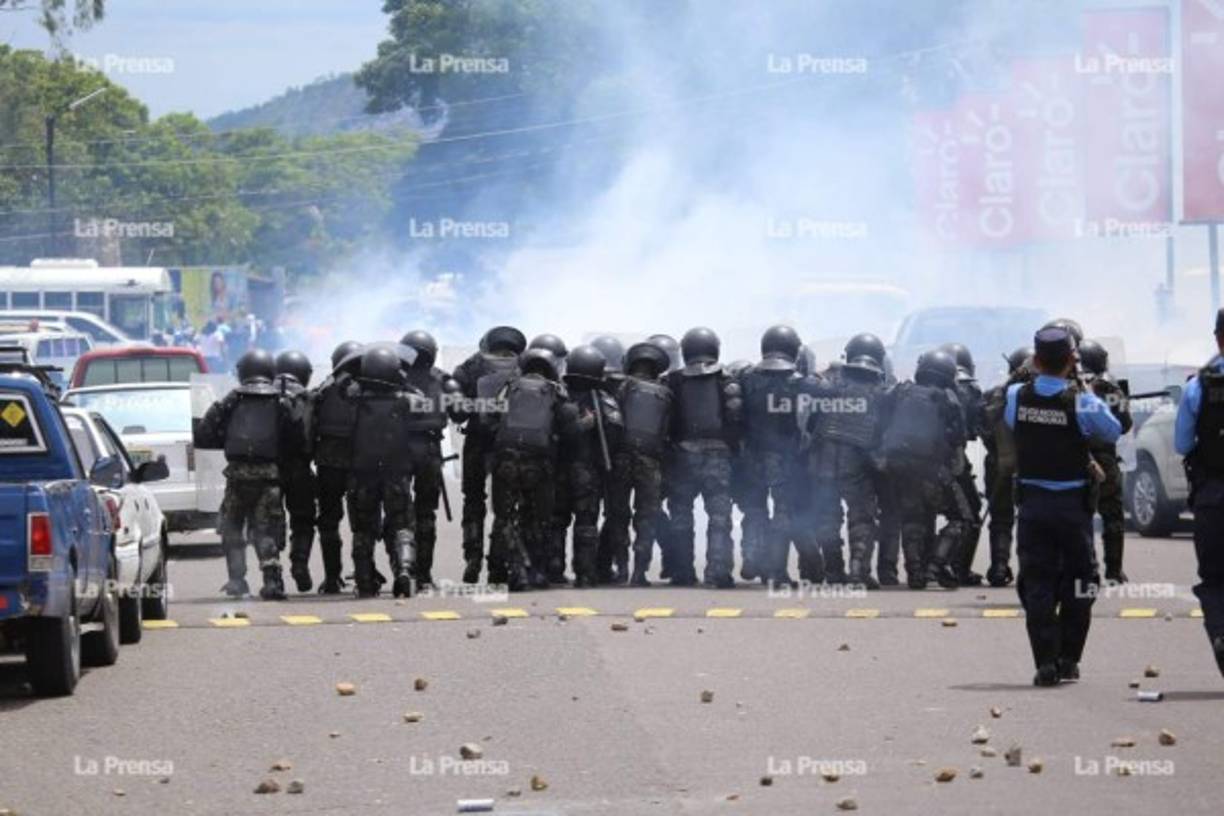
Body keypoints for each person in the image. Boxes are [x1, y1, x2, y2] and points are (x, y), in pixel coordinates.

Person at [1006, 327, 1121, 686]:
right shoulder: (1082, 400)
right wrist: (1084, 391)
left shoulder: (1016, 396)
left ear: (1036, 360)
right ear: (1072, 360)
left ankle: (1045, 660)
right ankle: (1068, 659)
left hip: (1033, 504)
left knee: (1037, 582)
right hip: (1072, 507)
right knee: (1081, 582)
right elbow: (1112, 430)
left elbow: (1013, 424)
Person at [194, 349, 305, 600]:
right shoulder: (282, 401)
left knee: (232, 527)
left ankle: (236, 580)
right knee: (267, 530)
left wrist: (227, 441)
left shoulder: (232, 399)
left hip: (237, 476)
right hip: (269, 478)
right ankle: (273, 581)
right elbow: (297, 439)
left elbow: (204, 432)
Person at [878, 349, 967, 590]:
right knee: (962, 518)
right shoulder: (948, 399)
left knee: (912, 518)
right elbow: (958, 438)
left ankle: (915, 573)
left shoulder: (899, 391)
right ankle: (934, 566)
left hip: (897, 464)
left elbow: (880, 418)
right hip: (930, 467)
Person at [807, 333, 889, 587]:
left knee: (827, 518)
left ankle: (833, 571)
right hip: (857, 461)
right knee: (862, 518)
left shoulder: (829, 382)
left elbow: (811, 422)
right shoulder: (882, 389)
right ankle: (857, 572)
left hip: (823, 459)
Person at [665, 327, 742, 587]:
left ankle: (682, 572)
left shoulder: (673, 381)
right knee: (720, 518)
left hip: (683, 457)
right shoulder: (727, 380)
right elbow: (735, 419)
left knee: (680, 517)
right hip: (718, 457)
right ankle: (718, 572)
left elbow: (666, 421)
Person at [346, 343, 423, 598]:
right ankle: (405, 569)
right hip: (397, 473)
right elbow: (425, 404)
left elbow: (339, 391)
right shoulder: (407, 401)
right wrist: (404, 383)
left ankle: (365, 580)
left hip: (362, 473)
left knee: (363, 530)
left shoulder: (354, 400)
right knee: (402, 526)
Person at [452, 326, 526, 584]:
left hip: (476, 443)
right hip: (508, 445)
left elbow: (456, 412)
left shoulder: (470, 367)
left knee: (473, 501)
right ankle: (498, 567)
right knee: (505, 508)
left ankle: (472, 557)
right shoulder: (523, 367)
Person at [489, 348, 567, 591]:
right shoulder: (556, 390)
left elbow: (489, 418)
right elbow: (568, 424)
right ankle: (537, 571)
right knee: (538, 519)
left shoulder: (508, 387)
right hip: (540, 464)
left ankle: (515, 569)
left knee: (505, 519)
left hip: (507, 462)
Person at [1173, 308, 1224, 678]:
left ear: (1217, 338)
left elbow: (1181, 443)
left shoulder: (1198, 387)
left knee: (1215, 579)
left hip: (1213, 498)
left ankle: (1221, 632)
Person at [738, 325, 808, 586]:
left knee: (754, 510)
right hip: (785, 459)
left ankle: (752, 558)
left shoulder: (745, 379)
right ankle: (777, 572)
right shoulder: (799, 382)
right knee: (783, 514)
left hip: (752, 456)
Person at [606, 341, 673, 586]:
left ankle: (621, 568)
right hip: (651, 462)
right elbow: (668, 433)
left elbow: (612, 423)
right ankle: (639, 573)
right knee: (646, 517)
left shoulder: (622, 388)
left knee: (618, 515)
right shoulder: (666, 394)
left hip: (621, 459)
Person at [558, 345, 624, 587]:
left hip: (558, 470)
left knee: (557, 521)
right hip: (588, 471)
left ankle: (553, 568)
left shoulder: (558, 396)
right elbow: (615, 433)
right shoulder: (603, 401)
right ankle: (585, 573)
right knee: (586, 522)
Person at [400, 330, 457, 589]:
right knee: (426, 515)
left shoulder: (394, 378)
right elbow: (460, 412)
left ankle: (403, 569)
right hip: (430, 451)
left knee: (401, 514)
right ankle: (423, 576)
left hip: (399, 450)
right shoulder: (443, 380)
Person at [1079, 338, 1134, 583]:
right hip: (1105, 460)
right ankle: (1114, 570)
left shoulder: (1071, 384)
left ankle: (1087, 570)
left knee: (1081, 517)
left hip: (1077, 459)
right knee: (1112, 515)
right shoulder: (1108, 387)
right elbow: (1125, 424)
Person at [311, 341, 363, 593]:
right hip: (359, 461)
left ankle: (333, 577)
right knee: (363, 520)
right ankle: (365, 573)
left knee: (329, 522)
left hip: (329, 462)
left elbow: (309, 422)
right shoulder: (370, 386)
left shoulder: (324, 388)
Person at [980, 346, 1033, 587]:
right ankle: (1029, 569)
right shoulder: (1040, 394)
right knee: (1030, 519)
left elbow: (983, 428)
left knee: (1001, 519)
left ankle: (999, 567)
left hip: (999, 464)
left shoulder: (996, 393)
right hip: (1033, 467)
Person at [941, 342, 986, 587]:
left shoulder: (922, 388)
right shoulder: (970, 389)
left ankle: (924, 567)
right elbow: (979, 428)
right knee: (970, 513)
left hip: (921, 460)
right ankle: (956, 567)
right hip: (955, 460)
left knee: (921, 517)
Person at [274, 350, 318, 593]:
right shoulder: (310, 398)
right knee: (303, 521)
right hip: (300, 468)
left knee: (269, 522)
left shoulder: (262, 395)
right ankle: (300, 562)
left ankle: (273, 573)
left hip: (269, 469)